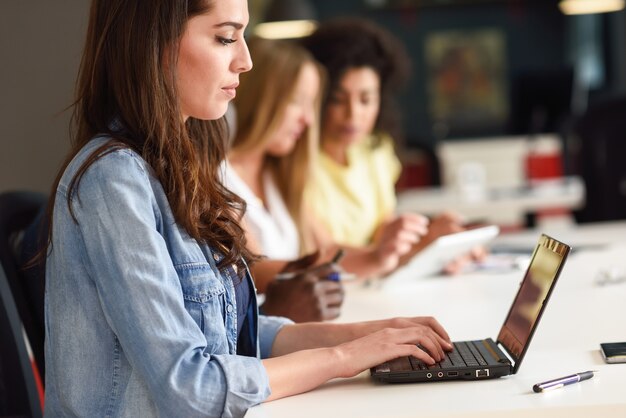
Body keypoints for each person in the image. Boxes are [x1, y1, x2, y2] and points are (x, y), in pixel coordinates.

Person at [41, 1, 452, 417]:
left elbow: (236, 332)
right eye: (225, 38)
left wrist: (367, 335)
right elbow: (190, 387)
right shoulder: (114, 180)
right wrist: (344, 358)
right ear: (154, 44)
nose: (246, 60)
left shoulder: (181, 165)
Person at [223, 36, 428, 321]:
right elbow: (253, 270)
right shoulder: (217, 177)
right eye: (298, 103)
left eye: (312, 105)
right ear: (261, 100)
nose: (308, 120)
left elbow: (326, 250)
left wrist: (378, 256)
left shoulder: (278, 173)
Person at [301, 18, 478, 273]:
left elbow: (381, 233)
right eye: (338, 100)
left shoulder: (376, 150)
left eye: (366, 99)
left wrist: (429, 235)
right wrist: (421, 245)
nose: (352, 115)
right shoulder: (297, 161)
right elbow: (321, 252)